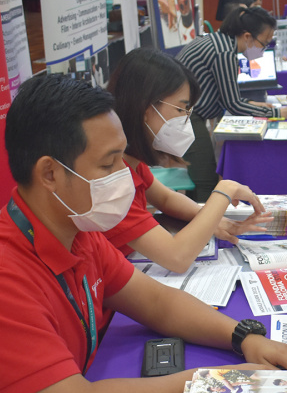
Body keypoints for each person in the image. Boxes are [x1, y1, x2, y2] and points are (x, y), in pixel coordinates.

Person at [0, 73, 287, 393]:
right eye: (108, 164)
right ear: (50, 174)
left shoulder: (78, 231)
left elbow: (155, 301)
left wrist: (244, 337)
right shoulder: (9, 274)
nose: (124, 176)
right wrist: (220, 380)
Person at [105, 48, 271, 273]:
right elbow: (177, 258)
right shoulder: (112, 180)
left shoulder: (131, 163)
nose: (185, 119)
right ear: (145, 107)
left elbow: (164, 197)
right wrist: (224, 190)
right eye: (181, 109)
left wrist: (210, 219)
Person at [177, 7, 287, 202]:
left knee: (199, 177)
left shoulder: (220, 42)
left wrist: (252, 104)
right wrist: (278, 111)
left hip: (186, 114)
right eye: (263, 43)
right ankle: (203, 228)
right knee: (206, 181)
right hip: (184, 117)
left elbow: (226, 96)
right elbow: (233, 104)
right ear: (248, 37)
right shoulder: (224, 53)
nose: (264, 49)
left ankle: (192, 219)